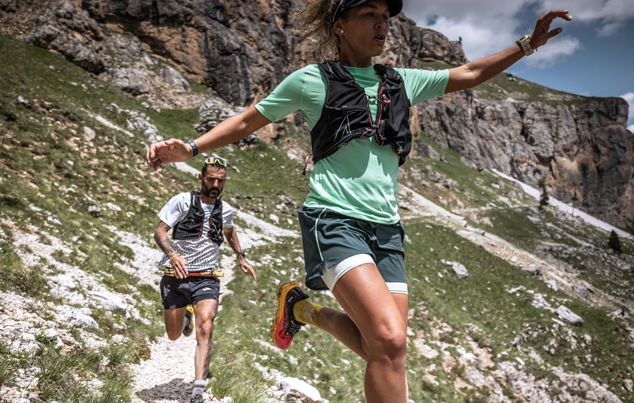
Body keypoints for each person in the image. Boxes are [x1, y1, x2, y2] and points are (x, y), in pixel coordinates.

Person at [146, 1, 572, 401]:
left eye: (385, 15)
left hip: (387, 230)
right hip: (334, 221)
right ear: (339, 25)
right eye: (369, 14)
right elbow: (247, 119)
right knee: (389, 340)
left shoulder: (402, 81)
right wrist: (191, 147)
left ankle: (301, 311)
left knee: (385, 348)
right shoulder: (312, 80)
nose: (382, 24)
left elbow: (471, 72)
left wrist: (527, 45)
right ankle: (302, 311)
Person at [153, 155, 256, 403]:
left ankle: (198, 389)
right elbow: (160, 232)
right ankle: (185, 316)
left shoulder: (226, 210)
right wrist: (173, 254)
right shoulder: (182, 201)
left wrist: (241, 257)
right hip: (175, 277)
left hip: (207, 278)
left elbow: (230, 233)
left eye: (221, 181)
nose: (216, 185)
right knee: (174, 335)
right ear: (201, 178)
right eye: (211, 179)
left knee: (206, 326)